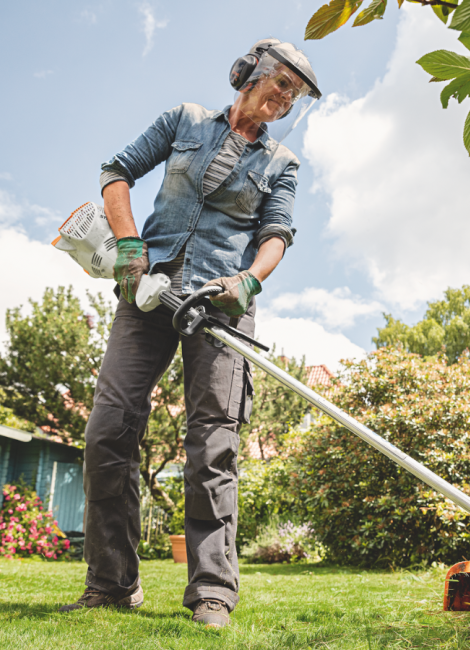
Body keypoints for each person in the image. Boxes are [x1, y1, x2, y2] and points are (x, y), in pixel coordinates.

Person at [58, 39, 321, 628]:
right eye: (280, 83)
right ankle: (111, 584)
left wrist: (248, 282)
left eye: (294, 94)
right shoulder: (184, 120)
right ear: (248, 72)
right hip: (148, 291)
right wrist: (129, 248)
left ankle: (211, 593)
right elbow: (116, 172)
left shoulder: (281, 163)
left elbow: (277, 233)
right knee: (107, 431)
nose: (284, 98)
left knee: (212, 446)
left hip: (220, 307)